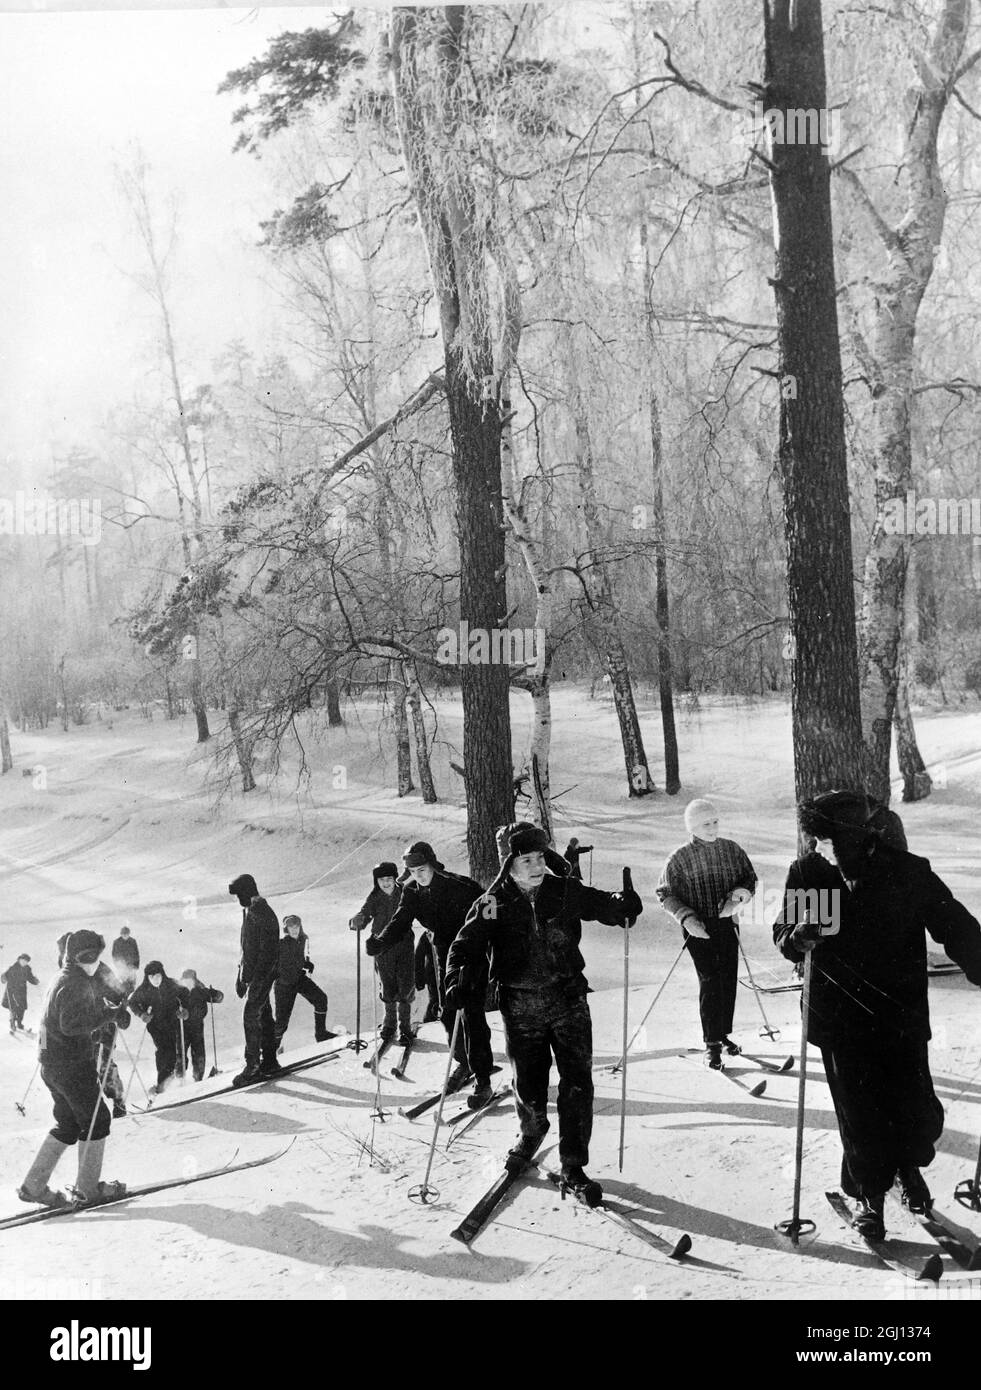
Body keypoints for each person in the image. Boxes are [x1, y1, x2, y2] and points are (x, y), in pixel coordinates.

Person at [772, 789, 981, 1241]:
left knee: (913, 1106)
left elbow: (954, 923)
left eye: (824, 839)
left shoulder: (905, 872)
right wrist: (798, 937)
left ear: (850, 838)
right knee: (860, 1113)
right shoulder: (814, 875)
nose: (815, 847)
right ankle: (870, 1194)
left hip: (898, 1011)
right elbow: (785, 933)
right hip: (840, 1017)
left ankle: (907, 1169)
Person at [444, 822, 642, 1200]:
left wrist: (622, 905)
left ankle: (573, 1163)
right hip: (521, 1008)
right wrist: (457, 976)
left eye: (540, 857)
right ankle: (531, 1132)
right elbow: (466, 944)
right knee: (530, 1084)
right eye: (526, 859)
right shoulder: (491, 903)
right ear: (509, 863)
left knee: (577, 1083)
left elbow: (601, 904)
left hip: (568, 1001)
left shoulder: (563, 891)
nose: (536, 866)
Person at [366, 841, 493, 1107]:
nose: (419, 876)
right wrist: (380, 941)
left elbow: (489, 912)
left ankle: (483, 1079)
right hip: (441, 953)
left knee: (471, 1014)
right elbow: (401, 921)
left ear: (433, 865)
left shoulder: (461, 886)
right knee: (446, 1012)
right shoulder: (411, 890)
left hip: (470, 952)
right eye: (413, 872)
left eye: (422, 869)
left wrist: (487, 953)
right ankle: (464, 1063)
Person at [17, 929, 129, 1209]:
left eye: (95, 955)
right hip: (70, 1067)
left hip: (52, 1066)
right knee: (97, 1120)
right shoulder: (72, 983)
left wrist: (116, 1007)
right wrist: (109, 1014)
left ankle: (34, 1185)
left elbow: (108, 988)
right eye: (86, 957)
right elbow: (70, 1024)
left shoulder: (68, 976)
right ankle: (88, 1189)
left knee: (68, 1124)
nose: (92, 961)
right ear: (73, 957)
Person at [656, 798, 758, 1069]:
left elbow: (749, 879)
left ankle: (722, 1033)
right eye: (705, 824)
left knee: (727, 979)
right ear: (692, 826)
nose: (712, 828)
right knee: (710, 980)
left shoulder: (731, 850)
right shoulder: (679, 858)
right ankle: (711, 1044)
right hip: (698, 928)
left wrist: (738, 898)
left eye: (714, 822)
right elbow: (664, 894)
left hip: (727, 922)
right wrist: (686, 918)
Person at [229, 872, 283, 1086]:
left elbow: (267, 951)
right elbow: (247, 948)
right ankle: (269, 1061)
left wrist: (256, 978)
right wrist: (242, 977)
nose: (236, 900)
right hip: (256, 975)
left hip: (263, 974)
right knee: (264, 1015)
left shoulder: (261, 912)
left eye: (237, 895)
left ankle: (252, 1067)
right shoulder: (251, 910)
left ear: (245, 893)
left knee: (251, 1016)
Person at [350, 863, 413, 1046]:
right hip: (382, 947)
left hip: (404, 944)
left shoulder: (404, 893)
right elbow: (364, 914)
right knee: (387, 984)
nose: (386, 883)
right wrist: (357, 921)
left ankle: (405, 1026)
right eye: (381, 880)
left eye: (389, 879)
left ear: (395, 879)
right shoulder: (375, 897)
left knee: (405, 983)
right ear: (376, 882)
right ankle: (389, 1023)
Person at [129, 962, 190, 1096]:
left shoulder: (171, 984)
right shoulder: (144, 989)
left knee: (172, 1052)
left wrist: (184, 1009)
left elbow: (185, 993)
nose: (155, 980)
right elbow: (132, 1002)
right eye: (151, 977)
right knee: (164, 1050)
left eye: (157, 976)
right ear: (147, 978)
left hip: (172, 1022)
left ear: (162, 974)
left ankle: (169, 1082)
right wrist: (142, 1014)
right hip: (155, 1025)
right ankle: (162, 1083)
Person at [274, 915, 332, 1049]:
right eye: (291, 927)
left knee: (321, 999)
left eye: (297, 926)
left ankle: (321, 1034)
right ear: (286, 929)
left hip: (298, 979)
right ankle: (271, 1051)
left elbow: (296, 959)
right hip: (284, 985)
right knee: (281, 1023)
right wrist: (301, 965)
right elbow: (281, 965)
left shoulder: (301, 939)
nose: (294, 930)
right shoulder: (281, 944)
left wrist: (305, 963)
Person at [178, 970, 224, 1081]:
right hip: (181, 1028)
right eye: (185, 981)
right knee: (180, 1052)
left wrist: (216, 994)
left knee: (198, 1052)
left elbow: (219, 997)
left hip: (197, 1026)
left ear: (194, 981)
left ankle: (198, 1077)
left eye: (190, 981)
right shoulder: (178, 993)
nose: (188, 983)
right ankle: (179, 1078)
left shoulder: (200, 990)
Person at [2, 953, 39, 1033]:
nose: (24, 962)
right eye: (23, 960)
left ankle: (19, 1023)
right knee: (13, 1008)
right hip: (12, 991)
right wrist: (3, 978)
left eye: (26, 961)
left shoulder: (27, 969)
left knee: (21, 1008)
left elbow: (30, 978)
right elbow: (5, 976)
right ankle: (12, 1024)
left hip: (22, 991)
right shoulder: (13, 968)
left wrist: (35, 981)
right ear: (19, 960)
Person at [415, 935, 440, 1024]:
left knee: (436, 999)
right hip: (433, 972)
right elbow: (418, 957)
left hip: (439, 970)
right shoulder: (427, 934)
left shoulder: (427, 935)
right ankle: (429, 1021)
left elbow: (418, 956)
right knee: (435, 999)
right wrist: (419, 979)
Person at [110, 926, 140, 994]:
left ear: (129, 934)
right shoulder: (116, 942)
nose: (125, 936)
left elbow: (136, 954)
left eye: (127, 934)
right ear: (121, 934)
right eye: (124, 934)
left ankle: (131, 998)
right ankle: (124, 999)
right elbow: (114, 955)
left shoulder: (133, 941)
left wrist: (136, 966)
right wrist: (118, 966)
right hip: (122, 968)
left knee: (132, 984)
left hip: (131, 967)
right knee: (123, 985)